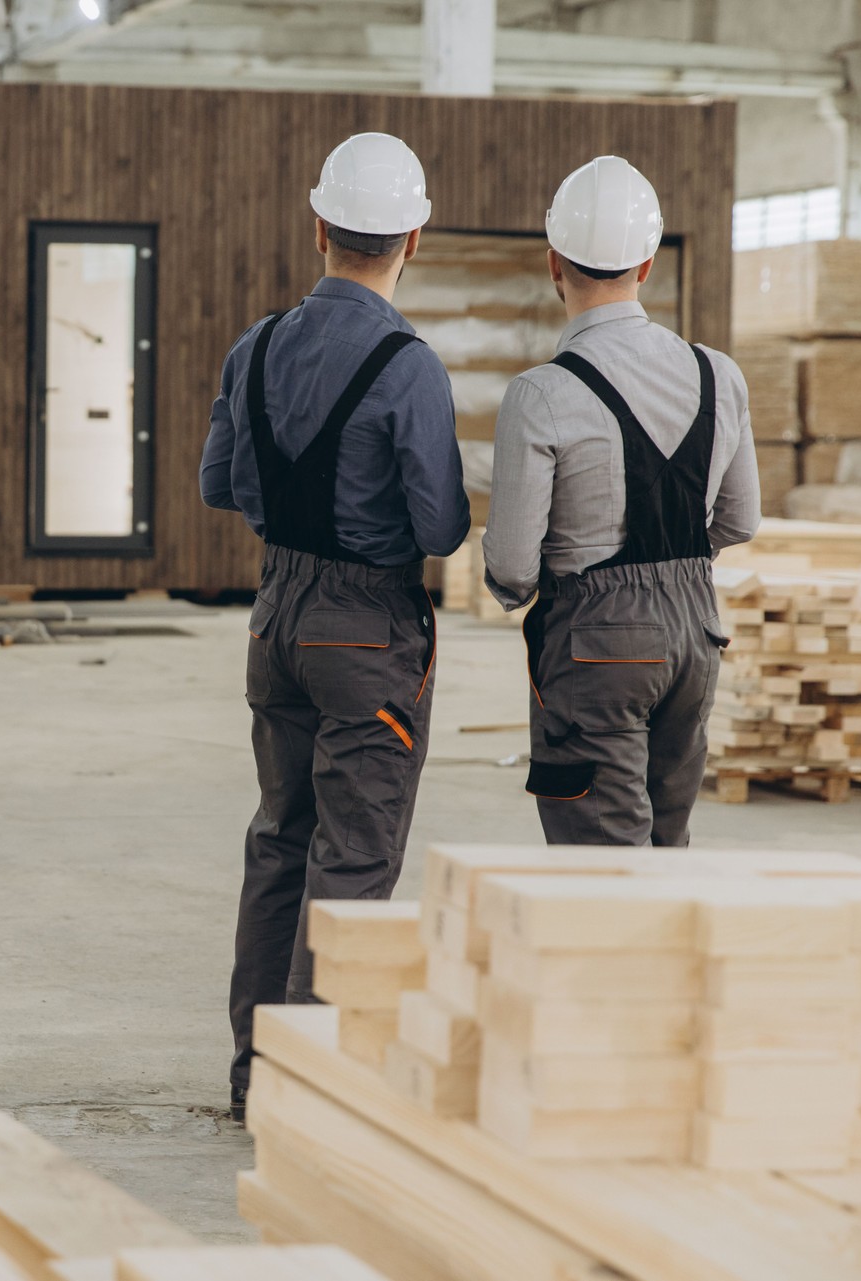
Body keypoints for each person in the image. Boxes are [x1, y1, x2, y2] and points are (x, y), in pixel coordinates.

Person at [202, 132, 468, 1122]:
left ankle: (255, 1075)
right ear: (414, 241)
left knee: (279, 841)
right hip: (368, 628)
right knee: (353, 858)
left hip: (278, 617)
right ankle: (315, 1093)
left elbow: (218, 485)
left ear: (319, 227)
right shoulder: (409, 367)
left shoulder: (256, 345)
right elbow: (440, 526)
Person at [483, 155, 759, 848]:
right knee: (666, 857)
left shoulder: (542, 393)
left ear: (554, 265)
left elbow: (513, 568)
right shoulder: (718, 374)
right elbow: (740, 519)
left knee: (602, 875)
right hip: (697, 638)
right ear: (646, 266)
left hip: (597, 645)